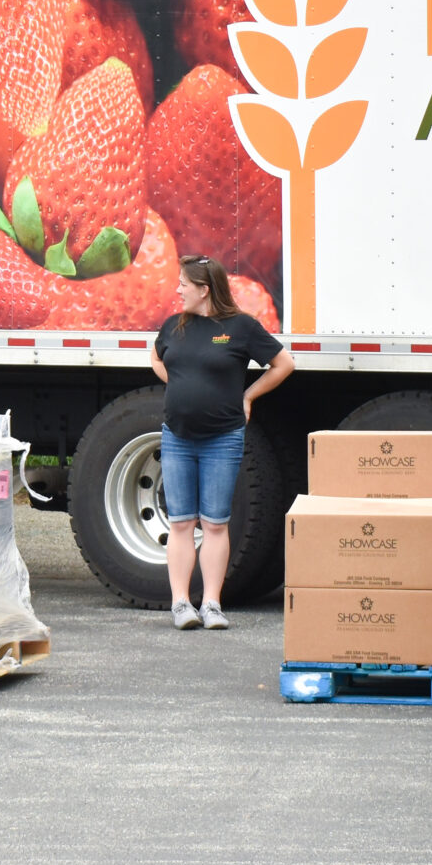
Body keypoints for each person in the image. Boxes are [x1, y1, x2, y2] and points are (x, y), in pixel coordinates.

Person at [149, 254, 293, 630]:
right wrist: (178, 383)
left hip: (223, 439)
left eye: (183, 283)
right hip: (177, 437)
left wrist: (248, 397)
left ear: (204, 290)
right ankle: (181, 604)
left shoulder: (240, 327)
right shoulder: (174, 326)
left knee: (214, 524)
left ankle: (211, 604)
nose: (177, 289)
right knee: (181, 522)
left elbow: (283, 364)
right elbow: (155, 356)